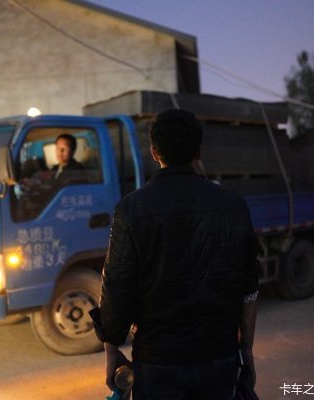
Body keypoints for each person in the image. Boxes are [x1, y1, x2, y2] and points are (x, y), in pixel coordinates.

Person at [98, 109, 260, 400]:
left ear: (154, 152)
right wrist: (246, 350)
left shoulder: (131, 210)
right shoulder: (233, 205)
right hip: (219, 359)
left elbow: (117, 286)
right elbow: (249, 288)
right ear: (198, 152)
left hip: (157, 362)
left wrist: (111, 352)